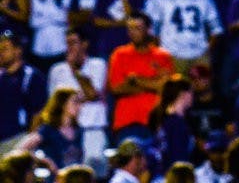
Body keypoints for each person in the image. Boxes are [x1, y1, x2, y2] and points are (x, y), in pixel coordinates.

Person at [106, 12, 174, 142]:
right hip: (127, 123)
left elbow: (167, 88)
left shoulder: (163, 56)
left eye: (137, 28)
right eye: (130, 28)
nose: (132, 32)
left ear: (148, 30)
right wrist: (153, 84)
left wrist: (135, 80)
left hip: (157, 123)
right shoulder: (119, 54)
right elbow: (116, 88)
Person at [46, 26, 108, 169]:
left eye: (73, 42)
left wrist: (75, 70)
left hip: (92, 127)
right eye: (67, 43)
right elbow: (54, 102)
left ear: (85, 44)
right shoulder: (57, 70)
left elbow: (92, 93)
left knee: (93, 169)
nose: (69, 47)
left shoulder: (97, 65)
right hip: (65, 133)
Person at [144, 0, 222, 76]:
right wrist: (160, 54)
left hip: (199, 55)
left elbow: (216, 29)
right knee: (174, 89)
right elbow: (152, 31)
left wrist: (205, 50)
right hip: (171, 55)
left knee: (203, 90)